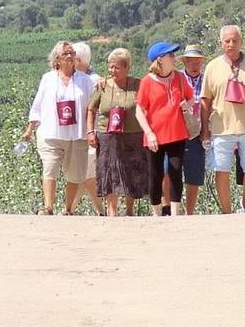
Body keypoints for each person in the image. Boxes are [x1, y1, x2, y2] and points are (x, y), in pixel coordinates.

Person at [20, 40, 95, 215]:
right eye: (66, 53)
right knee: (50, 168)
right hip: (51, 133)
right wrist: (30, 129)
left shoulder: (85, 80)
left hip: (77, 134)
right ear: (57, 59)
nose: (70, 56)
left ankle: (68, 209)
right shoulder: (47, 79)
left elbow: (93, 108)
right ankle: (48, 207)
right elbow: (37, 106)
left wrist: (92, 131)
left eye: (72, 53)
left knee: (75, 175)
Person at [200, 25, 245, 214]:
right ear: (221, 43)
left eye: (235, 40)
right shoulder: (212, 67)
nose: (231, 44)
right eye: (227, 41)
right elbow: (205, 100)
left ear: (241, 41)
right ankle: (227, 211)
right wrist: (205, 129)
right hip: (221, 128)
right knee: (221, 169)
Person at [87, 47, 147, 216]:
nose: (112, 70)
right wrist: (90, 132)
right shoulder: (103, 86)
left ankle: (129, 210)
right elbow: (91, 109)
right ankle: (112, 212)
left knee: (132, 171)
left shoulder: (138, 85)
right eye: (110, 67)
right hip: (107, 135)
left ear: (127, 67)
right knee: (109, 171)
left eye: (117, 67)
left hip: (134, 135)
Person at [136, 40, 193, 216]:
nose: (174, 58)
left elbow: (191, 98)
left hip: (177, 133)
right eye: (170, 55)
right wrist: (149, 132)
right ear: (160, 59)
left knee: (176, 173)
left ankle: (175, 214)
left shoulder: (180, 77)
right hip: (155, 136)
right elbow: (139, 110)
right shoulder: (147, 82)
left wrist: (187, 104)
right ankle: (156, 213)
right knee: (155, 175)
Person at [160, 44, 206, 216]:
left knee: (194, 174)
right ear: (185, 61)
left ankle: (190, 212)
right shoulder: (175, 79)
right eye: (191, 61)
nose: (195, 64)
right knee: (166, 170)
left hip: (196, 132)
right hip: (174, 132)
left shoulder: (207, 79)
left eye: (198, 61)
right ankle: (167, 208)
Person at [72, 41, 104, 215]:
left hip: (91, 135)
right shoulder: (74, 79)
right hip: (76, 135)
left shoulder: (94, 81)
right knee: (86, 176)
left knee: (82, 174)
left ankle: (68, 209)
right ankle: (101, 211)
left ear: (79, 60)